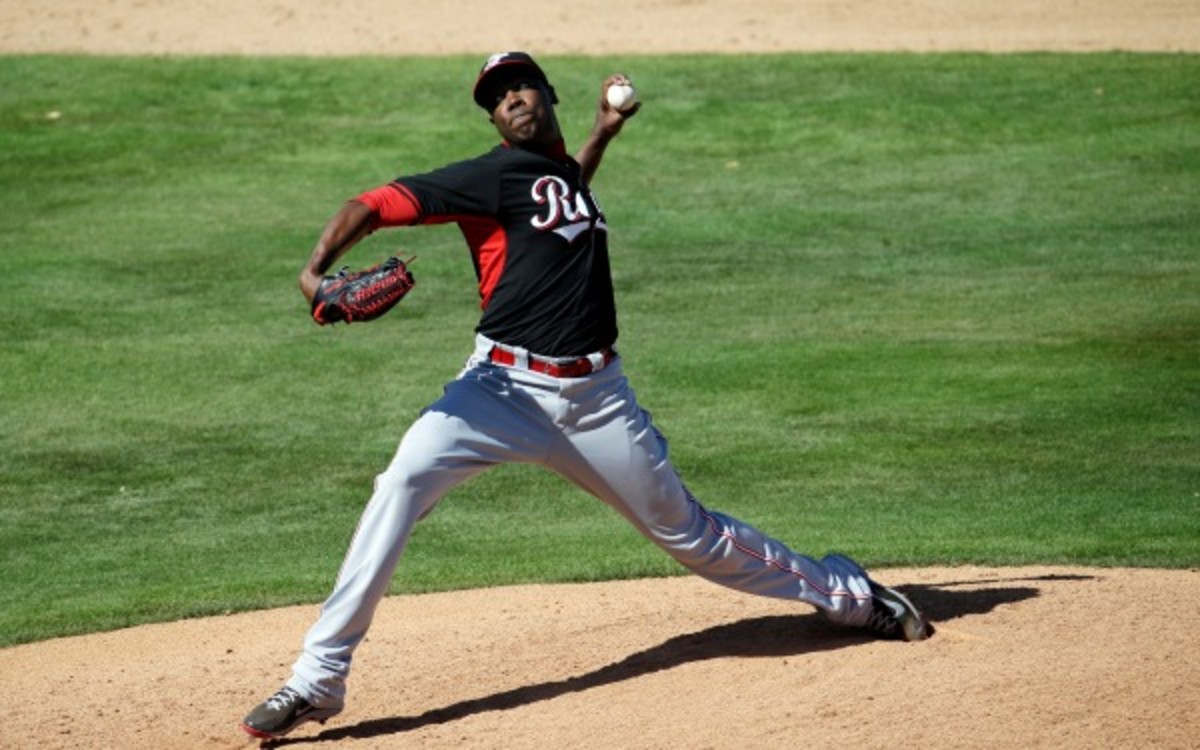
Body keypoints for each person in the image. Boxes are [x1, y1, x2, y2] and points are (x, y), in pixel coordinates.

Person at [239, 51, 931, 741]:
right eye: (497, 96)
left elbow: (565, 200)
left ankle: (848, 595)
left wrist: (603, 133)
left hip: (598, 401)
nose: (511, 99)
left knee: (691, 535)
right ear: (492, 118)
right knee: (400, 482)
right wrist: (312, 272)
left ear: (548, 94)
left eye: (522, 85)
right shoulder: (490, 175)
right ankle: (317, 678)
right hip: (499, 390)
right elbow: (372, 204)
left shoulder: (562, 174)